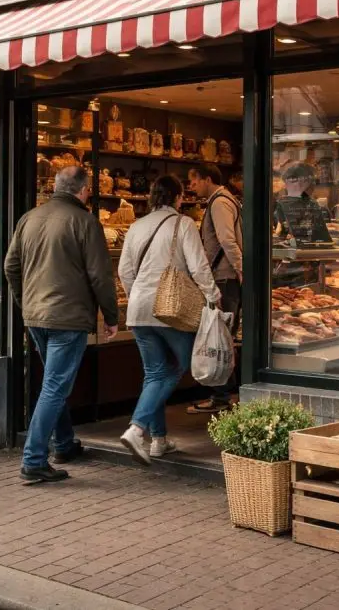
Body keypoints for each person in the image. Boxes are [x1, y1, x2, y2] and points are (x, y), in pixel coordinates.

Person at [5, 166, 119, 484]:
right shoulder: (85, 222)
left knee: (54, 382)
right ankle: (33, 460)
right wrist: (111, 317)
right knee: (55, 386)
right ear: (82, 190)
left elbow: (10, 266)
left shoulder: (29, 218)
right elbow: (100, 275)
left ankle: (65, 444)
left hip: (36, 316)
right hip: (68, 317)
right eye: (89, 189)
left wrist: (25, 302)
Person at [116, 175, 221, 464]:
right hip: (171, 309)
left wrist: (138, 295)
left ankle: (159, 440)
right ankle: (137, 429)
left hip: (138, 310)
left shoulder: (136, 226)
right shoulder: (183, 224)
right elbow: (198, 266)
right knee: (179, 366)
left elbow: (124, 271)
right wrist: (213, 295)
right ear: (178, 197)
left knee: (154, 374)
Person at [185, 164, 242, 414]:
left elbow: (227, 239)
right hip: (226, 277)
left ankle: (221, 397)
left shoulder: (219, 203)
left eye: (194, 181)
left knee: (220, 337)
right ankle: (224, 394)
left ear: (207, 179)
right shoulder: (225, 200)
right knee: (223, 336)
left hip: (224, 278)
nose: (191, 187)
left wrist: (241, 269)